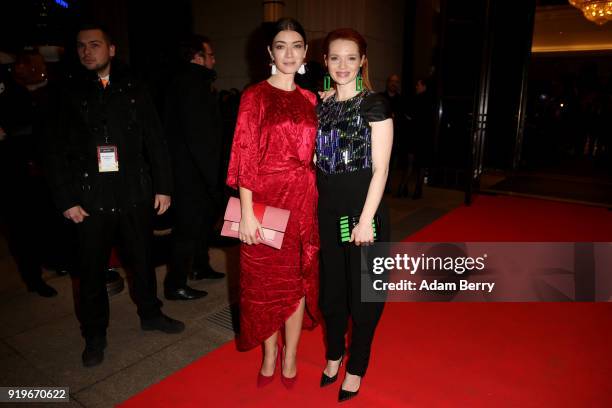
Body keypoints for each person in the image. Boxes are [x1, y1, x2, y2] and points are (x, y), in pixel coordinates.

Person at [45, 24, 184, 368]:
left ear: (112, 49)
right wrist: (66, 199)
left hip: (134, 192)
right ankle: (95, 335)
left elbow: (155, 138)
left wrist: (163, 186)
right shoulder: (66, 91)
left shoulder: (134, 86)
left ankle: (150, 313)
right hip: (88, 199)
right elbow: (52, 150)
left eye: (95, 45)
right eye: (81, 46)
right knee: (91, 271)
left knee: (142, 261)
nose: (87, 51)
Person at [226, 17, 319, 388]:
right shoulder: (254, 95)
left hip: (303, 201)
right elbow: (244, 154)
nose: (289, 53)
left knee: (295, 281)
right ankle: (268, 355)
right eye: (281, 46)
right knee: (264, 285)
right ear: (270, 52)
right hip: (265, 202)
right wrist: (246, 212)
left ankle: (291, 353)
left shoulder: (312, 99)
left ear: (305, 53)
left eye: (296, 46)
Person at [315, 28, 393, 402]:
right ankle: (333, 353)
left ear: (362, 61)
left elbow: (380, 169)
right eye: (334, 58)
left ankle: (356, 366)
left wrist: (365, 221)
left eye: (350, 57)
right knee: (331, 292)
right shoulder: (321, 104)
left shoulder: (374, 105)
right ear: (325, 62)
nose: (342, 65)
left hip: (365, 213)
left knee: (365, 297)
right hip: (327, 211)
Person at [163, 35, 224, 302]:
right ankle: (175, 284)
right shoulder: (192, 85)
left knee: (200, 224)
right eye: (209, 55)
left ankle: (200, 266)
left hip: (191, 170)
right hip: (191, 173)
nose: (213, 60)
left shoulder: (192, 82)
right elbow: (200, 138)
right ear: (196, 57)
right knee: (187, 228)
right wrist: (215, 178)